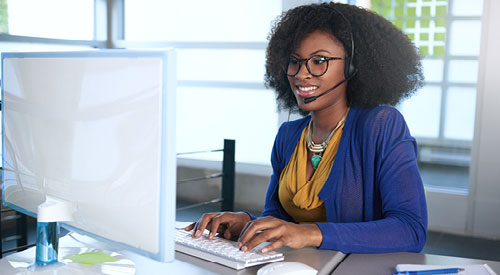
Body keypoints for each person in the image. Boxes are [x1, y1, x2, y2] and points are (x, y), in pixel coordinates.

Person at [185, 2, 427, 254]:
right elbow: (279, 219)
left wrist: (311, 233)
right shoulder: (288, 136)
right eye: (294, 61)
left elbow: (411, 229)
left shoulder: (381, 126)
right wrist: (249, 224)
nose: (301, 74)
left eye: (319, 61)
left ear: (354, 66)